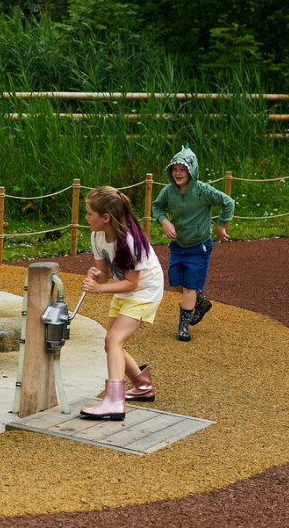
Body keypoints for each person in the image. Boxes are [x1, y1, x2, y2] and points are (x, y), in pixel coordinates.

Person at [79, 186, 164, 421]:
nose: (86, 218)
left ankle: (114, 402)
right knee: (111, 343)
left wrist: (100, 289)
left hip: (144, 291)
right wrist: (97, 276)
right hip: (125, 288)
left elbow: (132, 283)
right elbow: (106, 274)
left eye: (89, 213)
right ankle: (142, 386)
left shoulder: (128, 241)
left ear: (105, 218)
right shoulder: (97, 235)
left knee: (113, 340)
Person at [152, 144, 235, 342]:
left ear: (192, 171)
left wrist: (221, 226)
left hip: (199, 246)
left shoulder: (203, 191)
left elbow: (228, 202)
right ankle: (202, 301)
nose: (178, 173)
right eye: (175, 169)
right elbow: (157, 207)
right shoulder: (168, 191)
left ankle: (183, 327)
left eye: (182, 169)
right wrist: (164, 221)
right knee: (176, 283)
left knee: (189, 286)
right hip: (178, 246)